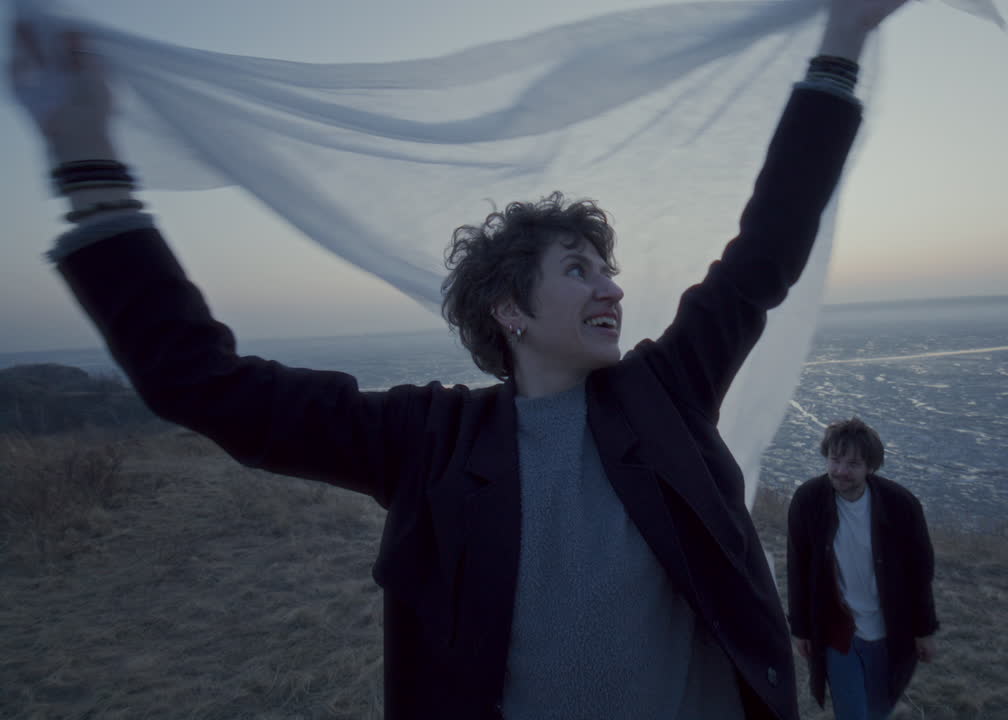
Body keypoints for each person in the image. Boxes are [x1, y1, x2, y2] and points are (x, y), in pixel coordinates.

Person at [8, 1, 914, 718]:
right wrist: (88, 169)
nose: (611, 289)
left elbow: (765, 250)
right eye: (578, 270)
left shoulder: (667, 393)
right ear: (510, 309)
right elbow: (207, 387)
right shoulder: (427, 441)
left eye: (610, 269)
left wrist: (839, 39)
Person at [786, 417, 939, 720]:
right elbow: (798, 567)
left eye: (853, 464)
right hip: (838, 631)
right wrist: (801, 628)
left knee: (879, 709)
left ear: (870, 467)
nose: (841, 471)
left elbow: (920, 572)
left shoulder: (901, 505)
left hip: (890, 629)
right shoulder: (808, 500)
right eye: (835, 459)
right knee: (852, 713)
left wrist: (924, 630)